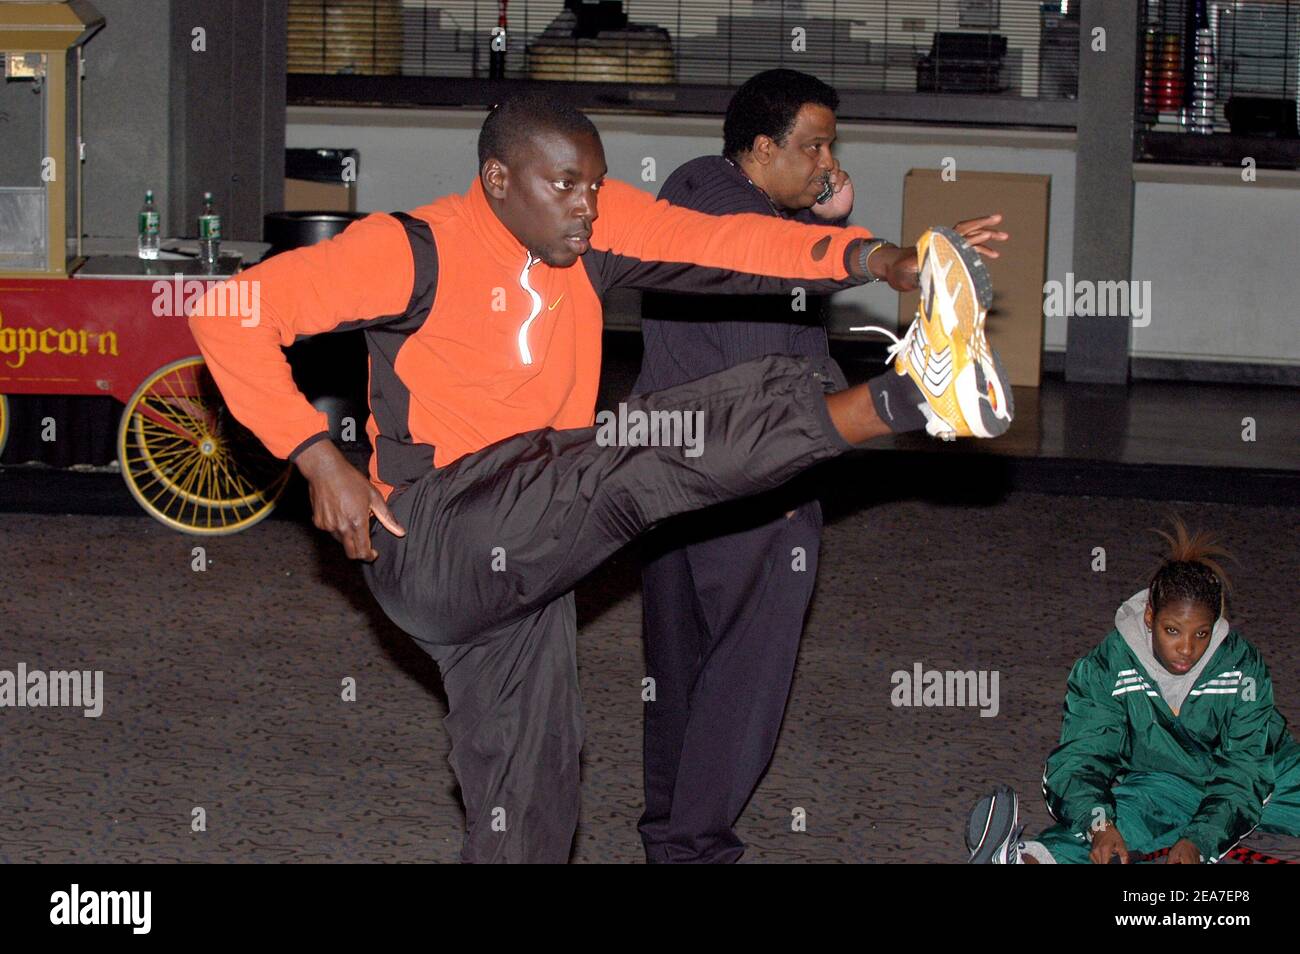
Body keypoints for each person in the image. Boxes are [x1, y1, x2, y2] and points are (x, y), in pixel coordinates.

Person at [189, 93, 1012, 863]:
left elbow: (726, 243)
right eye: (565, 186)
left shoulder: (587, 228)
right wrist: (315, 455)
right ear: (498, 182)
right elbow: (226, 313)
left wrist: (878, 258)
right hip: (437, 534)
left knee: (534, 790)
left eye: (595, 184)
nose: (587, 206)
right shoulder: (413, 249)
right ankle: (905, 395)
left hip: (527, 552)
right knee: (635, 456)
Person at [634, 68, 1012, 863]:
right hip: (753, 480)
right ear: (762, 147)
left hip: (661, 475)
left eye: (833, 146)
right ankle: (692, 848)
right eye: (813, 146)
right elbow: (780, 265)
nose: (827, 162)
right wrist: (881, 257)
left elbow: (793, 243)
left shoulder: (692, 186)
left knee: (677, 671)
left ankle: (668, 830)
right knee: (744, 677)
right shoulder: (752, 228)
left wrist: (830, 205)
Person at [965, 520, 1300, 864]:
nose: (1187, 648)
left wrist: (1199, 839)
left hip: (1268, 778)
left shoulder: (1242, 665)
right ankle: (1017, 861)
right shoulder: (1106, 667)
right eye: (1172, 630)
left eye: (1201, 634)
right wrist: (1099, 825)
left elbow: (1245, 770)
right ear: (1150, 617)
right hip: (1165, 785)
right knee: (1111, 834)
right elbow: (1080, 759)